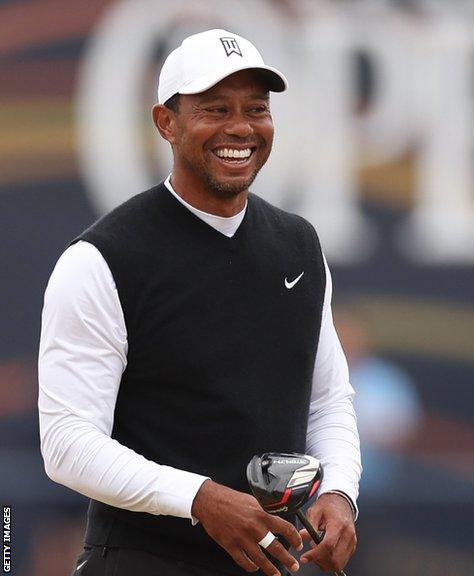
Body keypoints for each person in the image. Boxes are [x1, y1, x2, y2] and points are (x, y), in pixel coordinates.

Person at [38, 29, 361, 576]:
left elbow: (327, 402)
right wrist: (200, 498)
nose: (240, 128)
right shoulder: (103, 258)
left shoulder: (298, 244)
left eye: (256, 109)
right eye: (215, 109)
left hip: (269, 564)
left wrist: (339, 492)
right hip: (141, 560)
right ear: (167, 122)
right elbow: (67, 443)